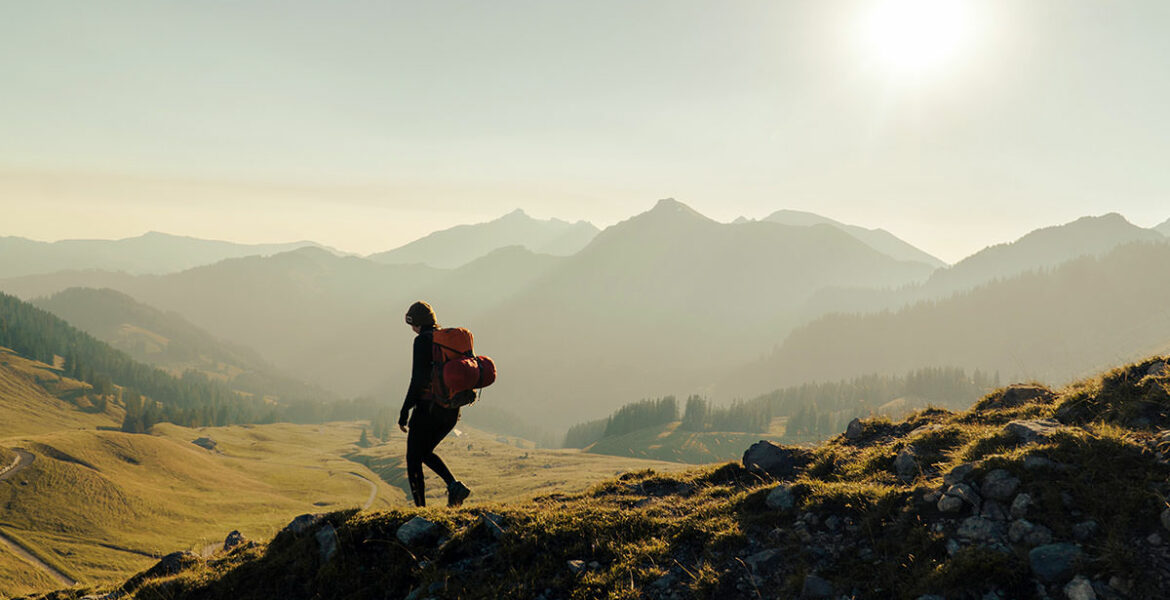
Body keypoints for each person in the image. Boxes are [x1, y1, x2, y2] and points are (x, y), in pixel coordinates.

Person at [399, 301, 472, 508]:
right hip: (451, 410)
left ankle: (421, 509)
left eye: (411, 324)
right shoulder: (446, 341)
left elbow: (418, 379)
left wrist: (405, 411)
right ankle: (454, 487)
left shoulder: (422, 341)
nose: (411, 329)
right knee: (424, 452)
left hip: (428, 410)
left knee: (413, 458)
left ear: (417, 323)